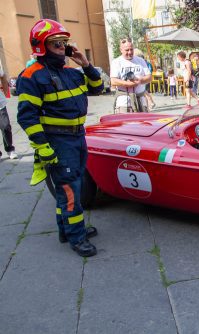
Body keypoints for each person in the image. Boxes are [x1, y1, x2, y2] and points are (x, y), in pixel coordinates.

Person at [16, 19, 103, 256]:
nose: (62, 48)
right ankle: (77, 236)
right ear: (40, 46)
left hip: (78, 137)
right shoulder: (31, 76)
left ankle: (65, 230)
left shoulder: (70, 72)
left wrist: (86, 64)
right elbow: (27, 118)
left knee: (69, 187)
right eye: (56, 44)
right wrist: (43, 148)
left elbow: (97, 88)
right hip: (58, 141)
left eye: (64, 43)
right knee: (71, 190)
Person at [110, 38, 152, 112]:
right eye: (127, 50)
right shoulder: (116, 62)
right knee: (125, 124)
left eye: (131, 49)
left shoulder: (140, 60)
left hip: (141, 101)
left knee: (143, 123)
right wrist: (128, 84)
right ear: (121, 50)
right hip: (124, 102)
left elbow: (149, 77)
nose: (130, 52)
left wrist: (140, 80)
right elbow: (113, 81)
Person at [0, 67, 18, 160]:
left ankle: (10, 149)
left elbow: (2, 76)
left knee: (5, 126)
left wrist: (6, 92)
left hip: (0, 103)